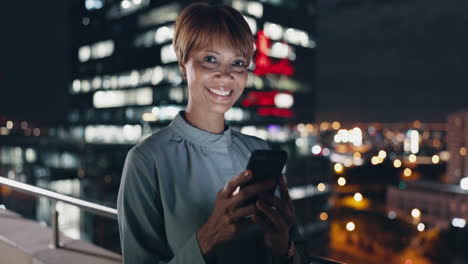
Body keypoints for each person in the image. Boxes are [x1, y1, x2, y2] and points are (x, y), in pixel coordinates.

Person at [117, 2, 305, 263]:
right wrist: (207, 238)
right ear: (184, 65)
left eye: (238, 63)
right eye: (210, 59)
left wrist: (283, 244)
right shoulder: (147, 160)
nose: (226, 76)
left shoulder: (258, 149)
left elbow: (296, 255)